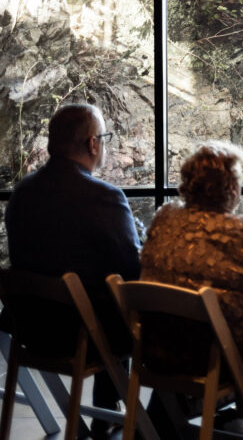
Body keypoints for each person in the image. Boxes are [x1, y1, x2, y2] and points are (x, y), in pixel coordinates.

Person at [141, 142, 243, 440]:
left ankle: (236, 415)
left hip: (157, 350)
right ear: (232, 188)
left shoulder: (164, 220)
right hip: (216, 357)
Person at [3, 103, 141, 438]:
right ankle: (147, 420)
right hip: (85, 337)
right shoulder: (104, 197)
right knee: (130, 307)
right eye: (105, 137)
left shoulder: (22, 194)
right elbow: (133, 270)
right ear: (93, 144)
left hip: (30, 329)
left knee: (101, 299)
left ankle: (107, 415)